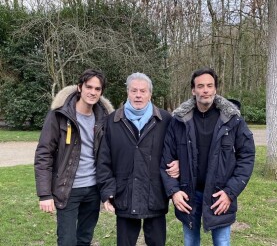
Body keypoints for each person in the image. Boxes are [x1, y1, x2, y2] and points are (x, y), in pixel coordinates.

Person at [160, 67, 255, 246]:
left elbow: (247, 156)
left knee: (222, 243)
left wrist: (230, 192)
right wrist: (174, 192)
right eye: (200, 86)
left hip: (220, 195)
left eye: (209, 86)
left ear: (215, 89)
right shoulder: (179, 121)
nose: (205, 90)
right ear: (193, 90)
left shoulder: (232, 120)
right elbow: (166, 157)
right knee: (191, 242)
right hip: (188, 195)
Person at [97, 72, 178, 246]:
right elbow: (104, 160)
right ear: (128, 92)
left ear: (150, 94)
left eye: (143, 91)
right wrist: (107, 191)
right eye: (134, 90)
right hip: (124, 194)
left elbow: (178, 150)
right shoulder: (112, 121)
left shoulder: (165, 120)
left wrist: (178, 163)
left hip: (155, 195)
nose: (138, 95)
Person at [34, 69, 114, 246]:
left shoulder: (104, 119)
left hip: (93, 190)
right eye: (89, 87)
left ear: (101, 92)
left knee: (84, 239)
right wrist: (45, 194)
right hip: (67, 190)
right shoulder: (59, 116)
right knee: (67, 241)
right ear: (80, 87)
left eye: (97, 89)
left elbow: (111, 156)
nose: (92, 92)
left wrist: (108, 190)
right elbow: (43, 154)